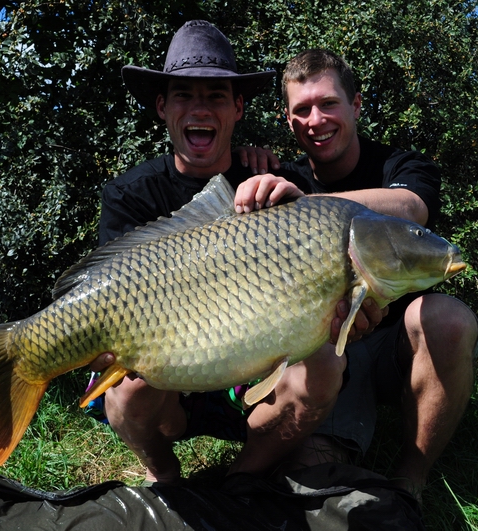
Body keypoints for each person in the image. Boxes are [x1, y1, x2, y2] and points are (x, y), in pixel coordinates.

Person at [87, 21, 384, 486]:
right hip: (167, 377)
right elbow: (110, 293)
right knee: (125, 393)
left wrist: (351, 315)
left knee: (326, 363)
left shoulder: (279, 185)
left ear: (238, 107)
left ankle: (240, 478)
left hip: (253, 381)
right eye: (184, 95)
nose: (199, 107)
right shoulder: (131, 194)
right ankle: (163, 474)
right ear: (163, 107)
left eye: (216, 96)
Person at [236, 49, 478, 502]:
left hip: (396, 350)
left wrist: (310, 208)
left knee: (448, 318)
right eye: (301, 110)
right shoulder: (280, 178)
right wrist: (245, 158)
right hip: (325, 350)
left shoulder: (402, 166)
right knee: (309, 476)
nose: (316, 119)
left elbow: (411, 209)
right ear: (287, 121)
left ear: (356, 105)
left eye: (328, 103)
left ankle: (412, 475)